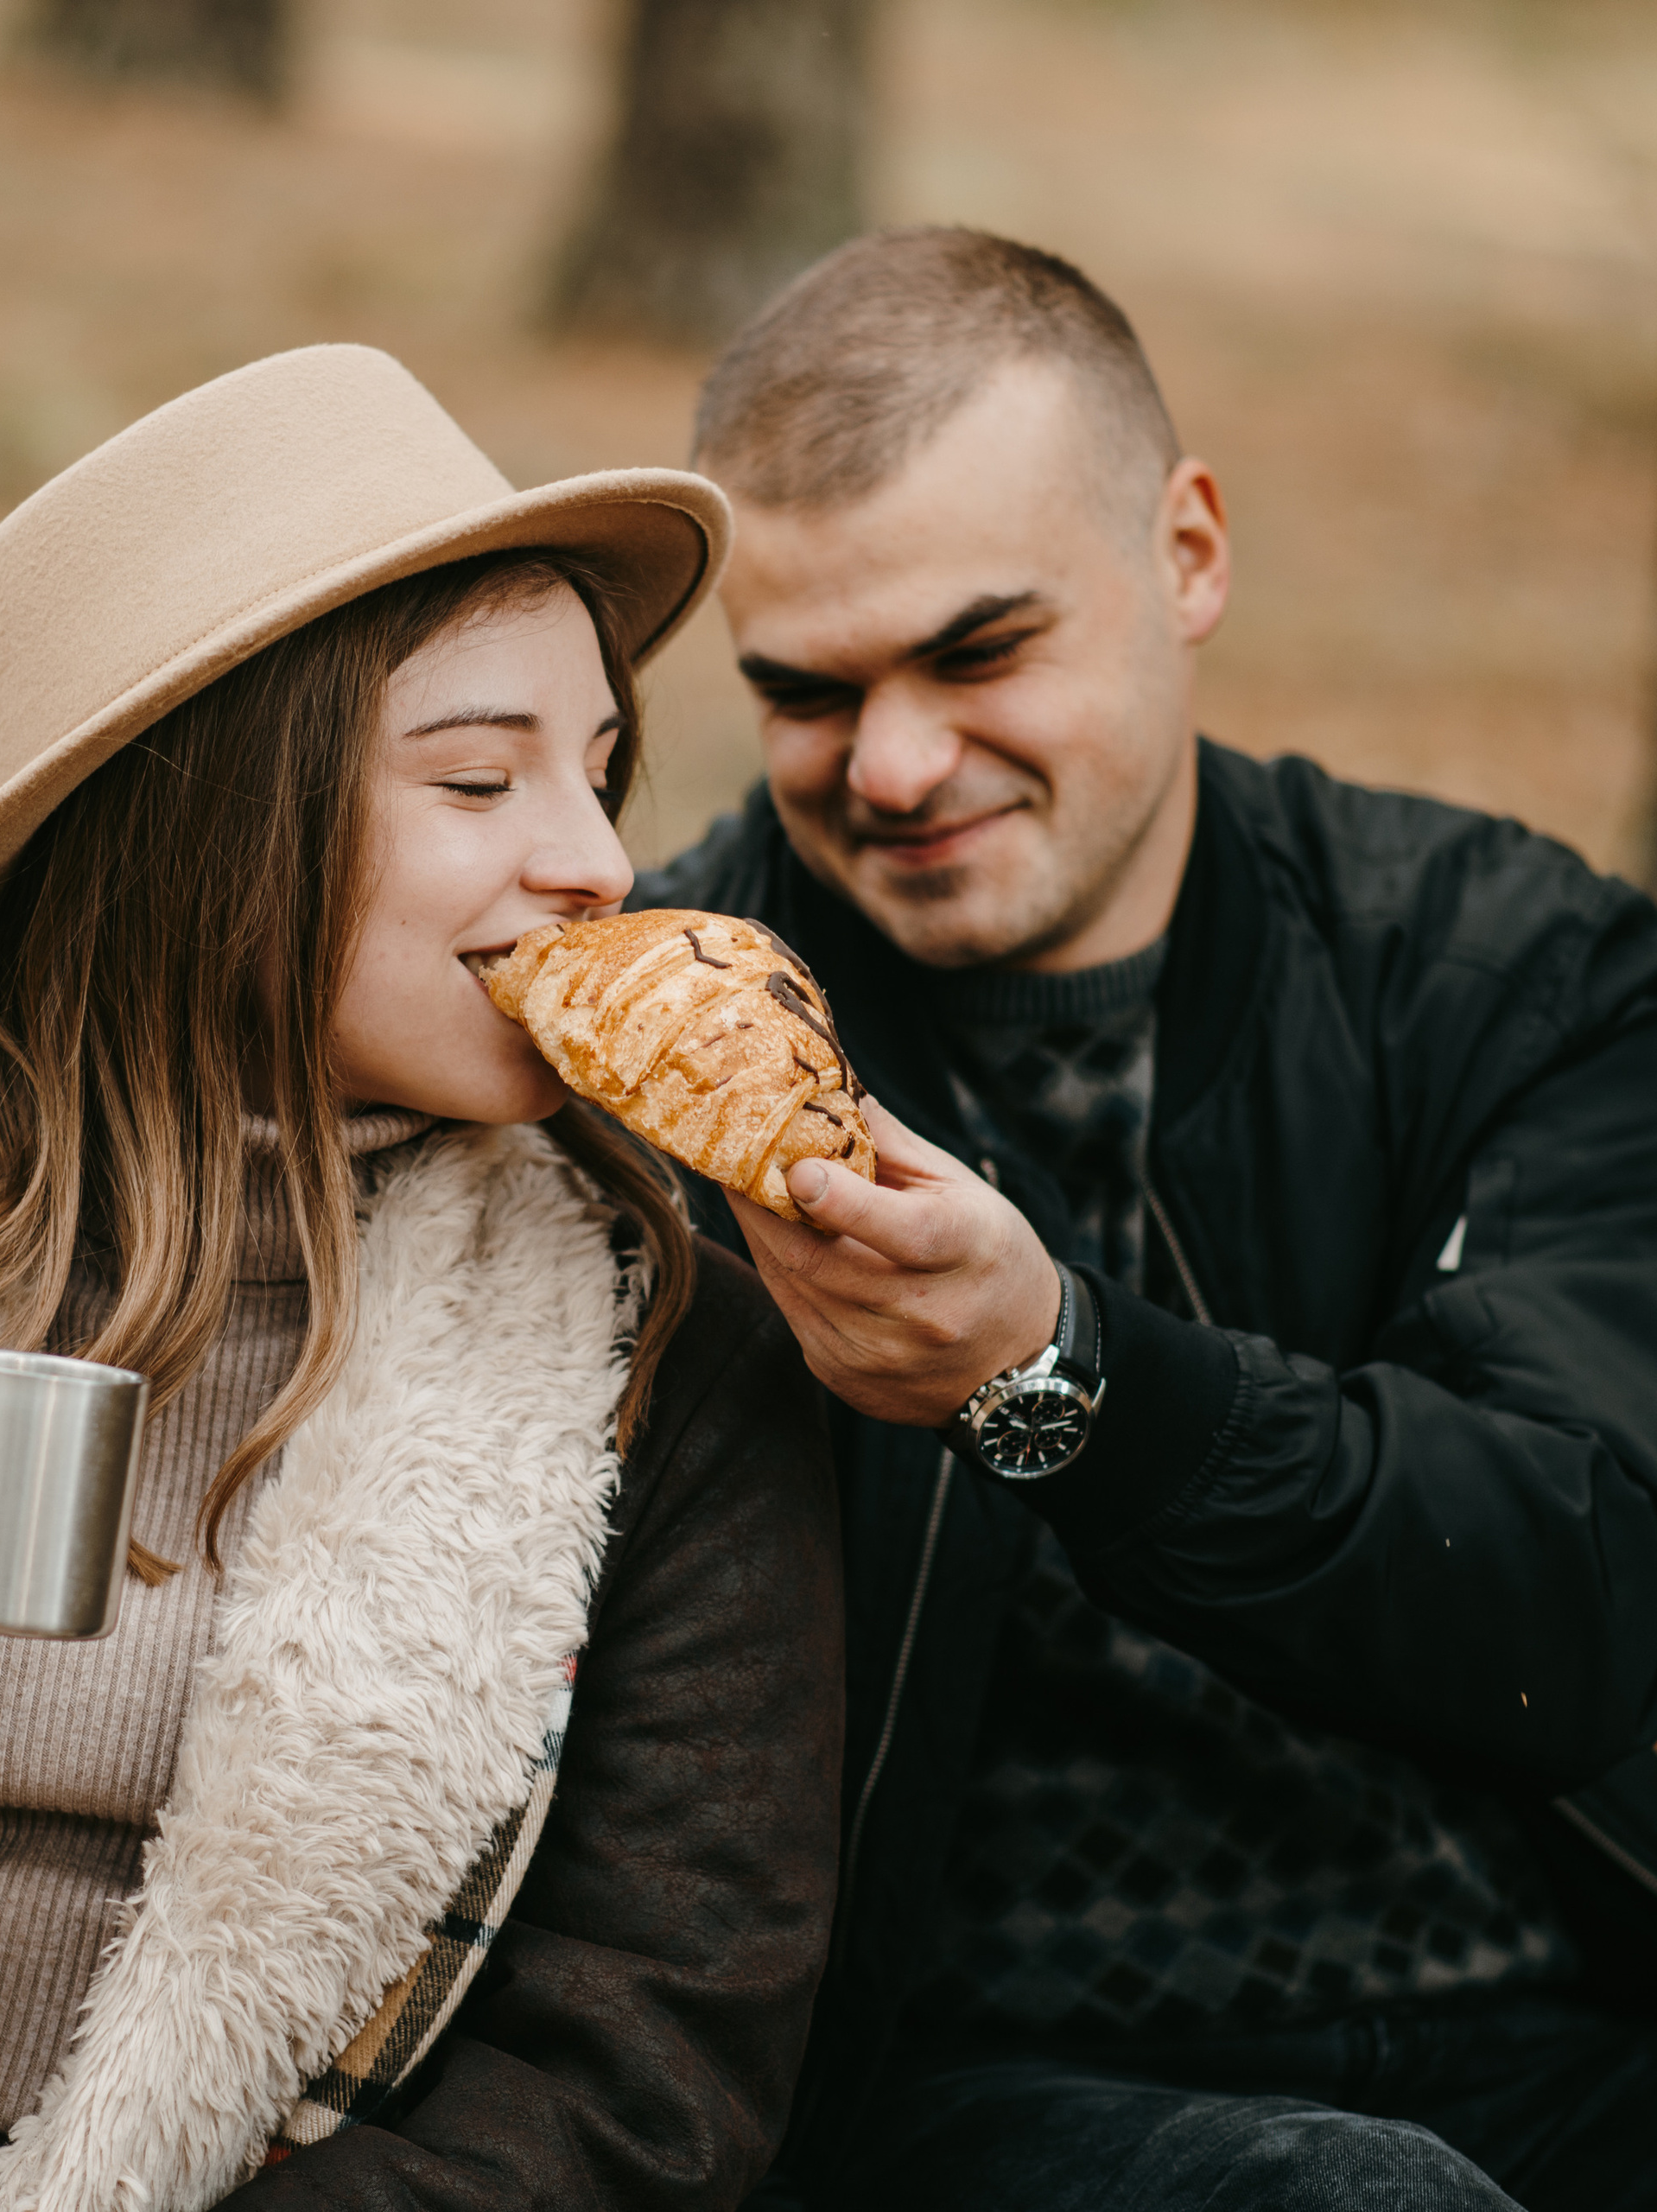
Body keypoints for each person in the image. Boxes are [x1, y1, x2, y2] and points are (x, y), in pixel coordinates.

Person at [0, 344, 842, 2212]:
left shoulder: (663, 1365)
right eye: (478, 778)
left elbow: (640, 2087)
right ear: (210, 835)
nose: (593, 860)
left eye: (595, 771)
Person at [634, 228, 1657, 2210]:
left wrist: (1054, 1384)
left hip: (1552, 2003)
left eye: (977, 649)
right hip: (973, 2085)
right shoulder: (661, 1077)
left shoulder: (1506, 971)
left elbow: (1585, 1586)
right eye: (806, 691)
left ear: (1185, 554)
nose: (895, 764)